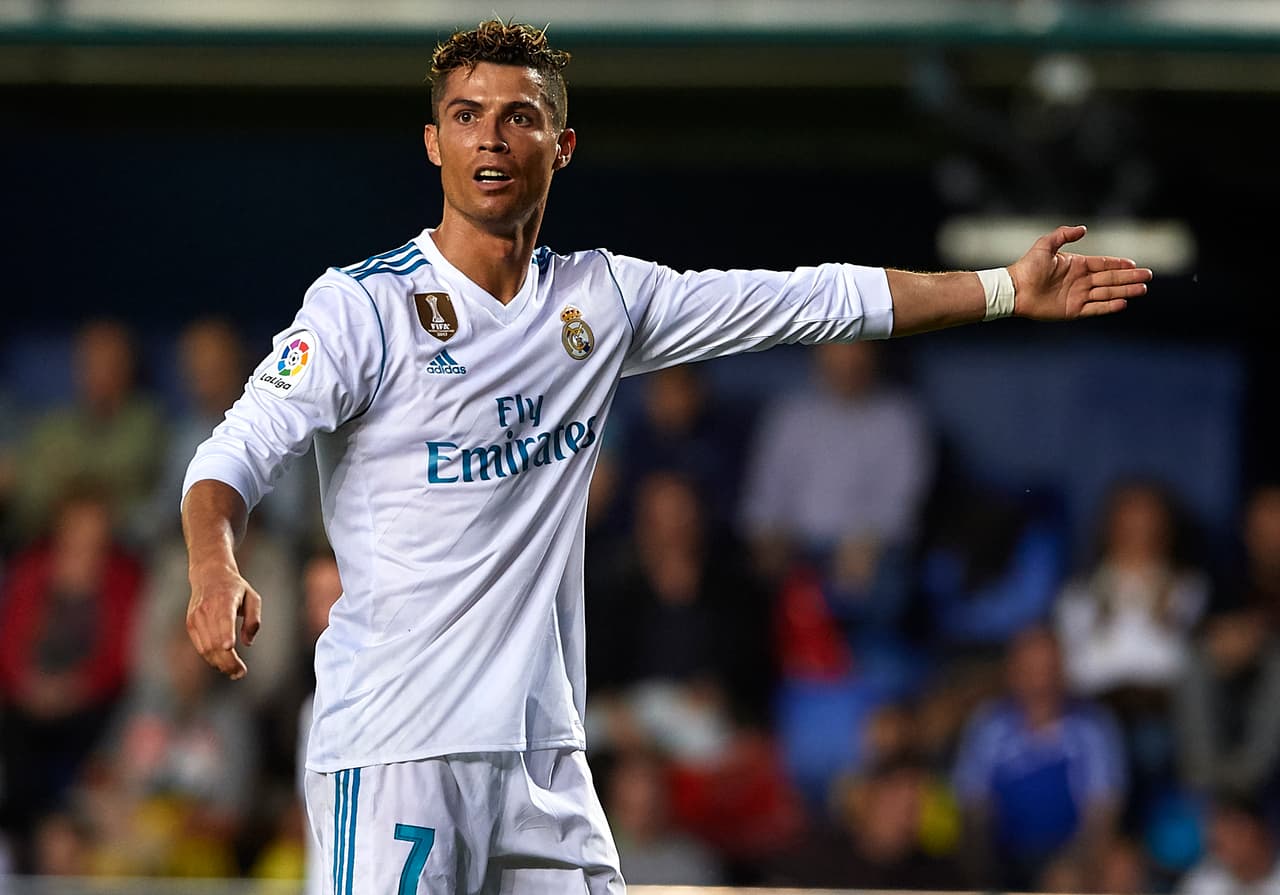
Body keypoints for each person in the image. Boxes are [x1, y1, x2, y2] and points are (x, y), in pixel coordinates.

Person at [179, 19, 1152, 894]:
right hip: (399, 746)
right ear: (434, 143)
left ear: (560, 147)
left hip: (543, 756)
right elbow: (233, 453)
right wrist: (215, 565)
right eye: (466, 116)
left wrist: (999, 289)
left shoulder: (600, 299)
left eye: (518, 117)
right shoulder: (362, 308)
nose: (490, 138)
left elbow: (805, 300)